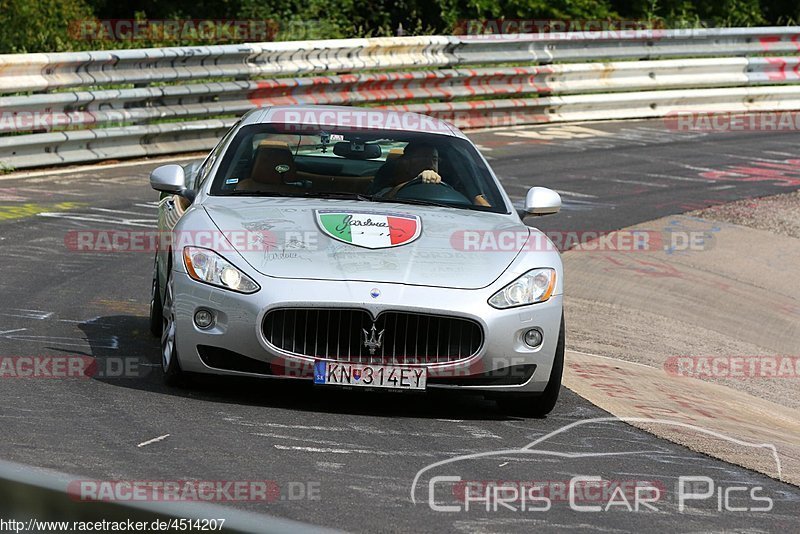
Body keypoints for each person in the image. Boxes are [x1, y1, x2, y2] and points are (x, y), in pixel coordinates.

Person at [368, 142, 442, 196]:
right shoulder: (388, 187)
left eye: (434, 159)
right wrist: (417, 180)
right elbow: (383, 199)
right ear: (406, 162)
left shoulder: (448, 189)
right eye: (423, 159)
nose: (430, 163)